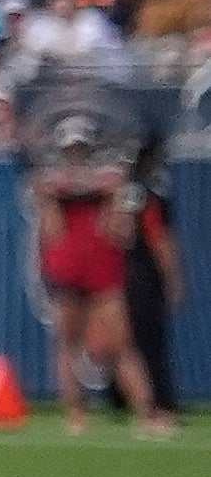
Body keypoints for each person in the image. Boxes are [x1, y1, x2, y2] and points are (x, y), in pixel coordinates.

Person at [33, 115, 174, 436]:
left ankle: (145, 411)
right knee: (68, 343)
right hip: (70, 268)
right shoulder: (55, 186)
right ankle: (75, 415)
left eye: (81, 148)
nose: (77, 155)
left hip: (100, 271)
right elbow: (50, 229)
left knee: (121, 344)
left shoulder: (109, 183)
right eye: (72, 149)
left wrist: (104, 195)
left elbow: (118, 227)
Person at [119, 132, 183, 421]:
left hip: (124, 271)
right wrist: (173, 279)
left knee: (130, 340)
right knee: (150, 341)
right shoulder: (152, 191)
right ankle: (159, 400)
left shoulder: (126, 191)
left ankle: (125, 397)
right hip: (145, 273)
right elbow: (158, 238)